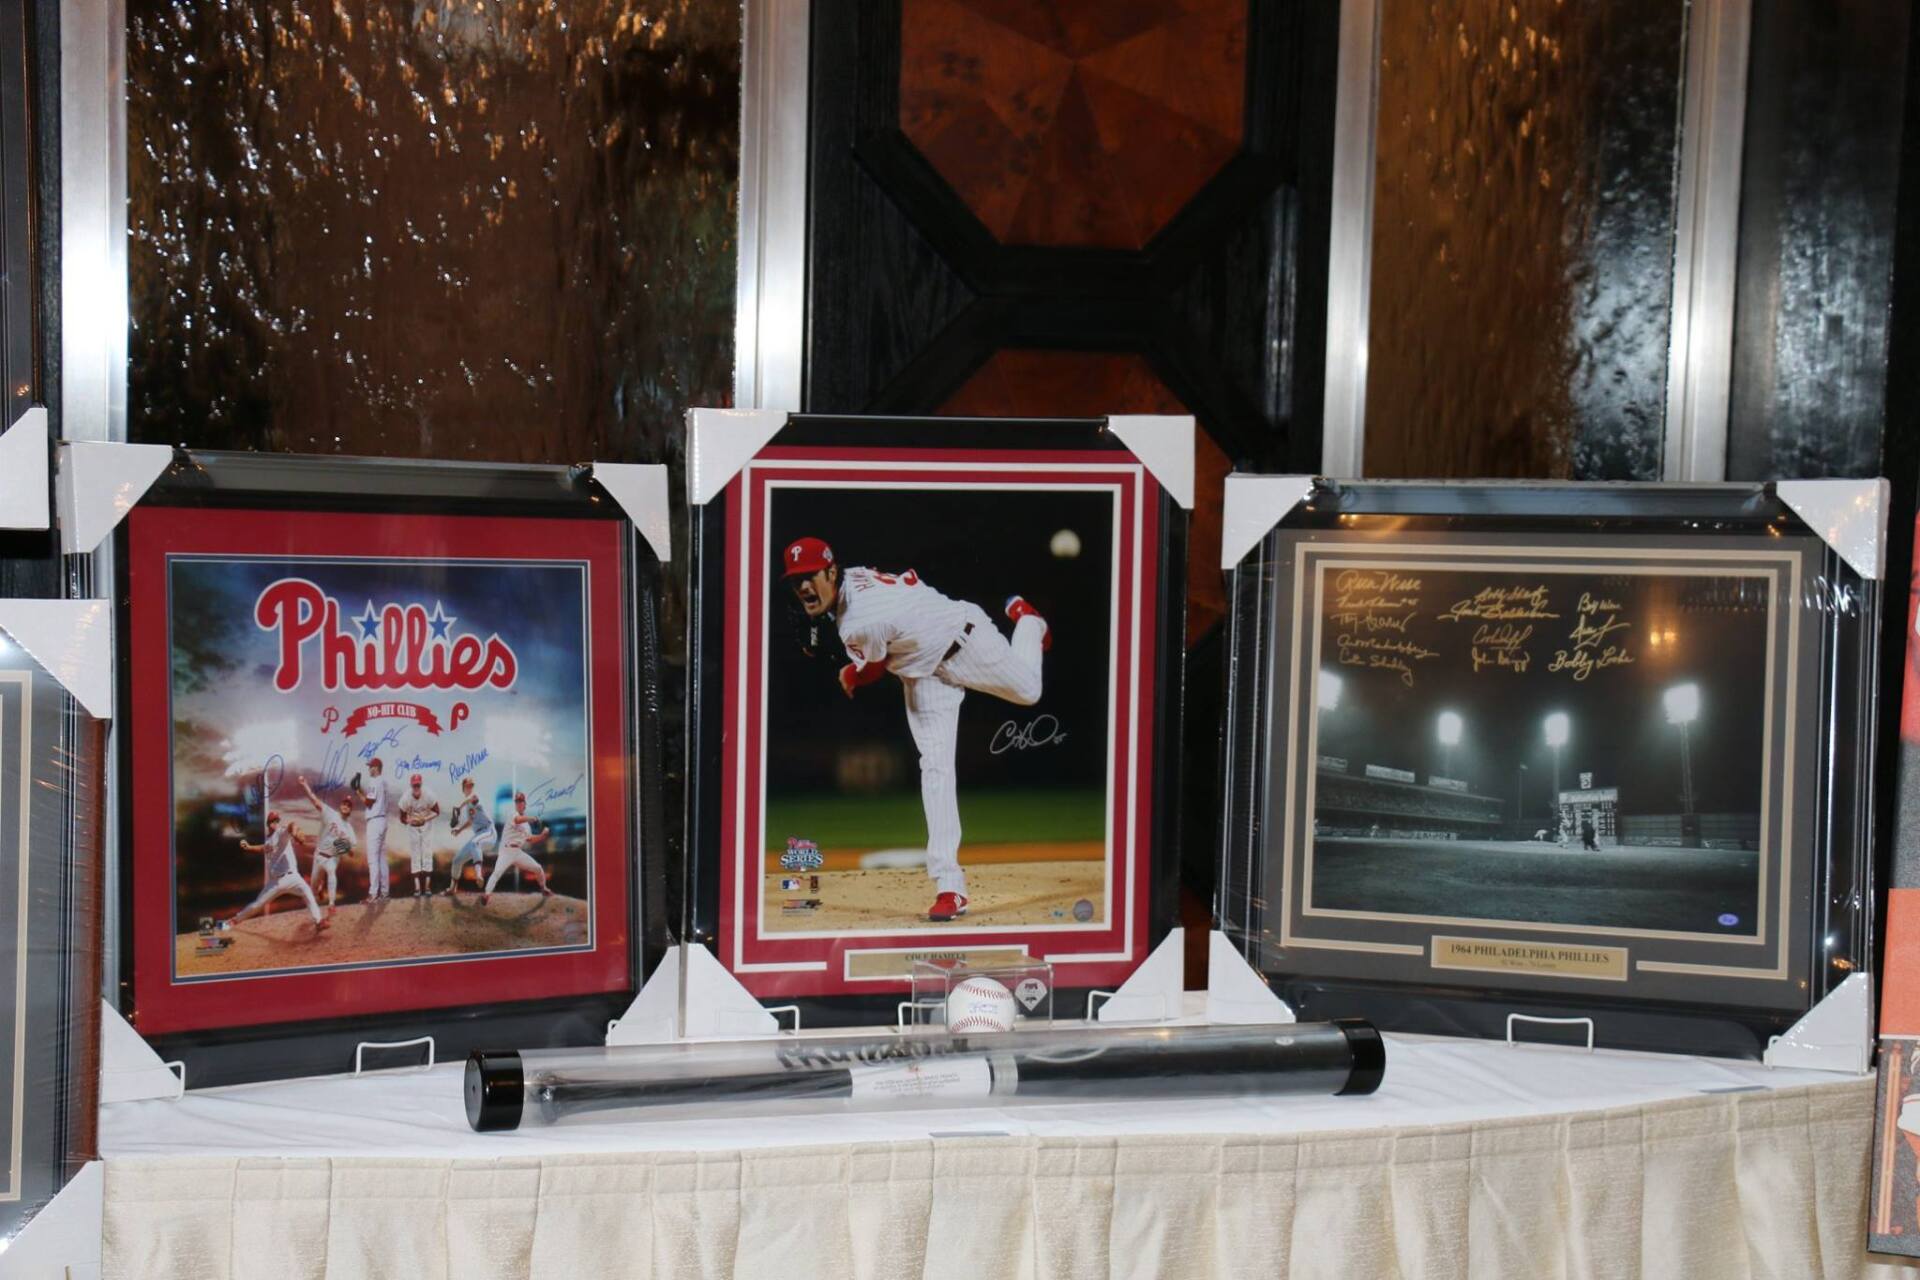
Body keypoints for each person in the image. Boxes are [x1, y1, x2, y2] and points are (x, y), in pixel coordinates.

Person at [782, 536, 1048, 923]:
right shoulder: (852, 583)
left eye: (810, 576)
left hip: (965, 640)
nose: (804, 586)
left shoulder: (860, 621)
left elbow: (874, 667)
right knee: (936, 770)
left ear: (831, 571)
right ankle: (949, 887)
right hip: (924, 675)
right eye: (796, 580)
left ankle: (1029, 621)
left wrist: (850, 675)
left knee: (1029, 691)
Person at [220, 810, 327, 933]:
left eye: (277, 820)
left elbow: (291, 826)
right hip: (275, 882)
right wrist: (249, 847)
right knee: (257, 905)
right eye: (272, 820)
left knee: (307, 893)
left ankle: (319, 922)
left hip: (292, 878)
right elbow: (263, 848)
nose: (275, 822)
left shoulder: (281, 832)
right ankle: (233, 921)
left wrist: (295, 832)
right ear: (268, 823)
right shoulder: (268, 839)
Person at [481, 791, 552, 904]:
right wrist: (531, 818)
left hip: (517, 853)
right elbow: (517, 820)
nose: (519, 803)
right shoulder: (513, 814)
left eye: (521, 801)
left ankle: (543, 888)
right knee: (497, 872)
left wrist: (542, 836)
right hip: (506, 851)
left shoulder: (527, 826)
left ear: (524, 804)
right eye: (517, 801)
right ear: (515, 804)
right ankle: (486, 895)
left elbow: (530, 839)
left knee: (538, 868)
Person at [297, 775, 353, 914]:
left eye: (349, 805)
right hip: (319, 856)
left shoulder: (349, 829)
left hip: (332, 858)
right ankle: (319, 889)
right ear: (341, 806)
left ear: (350, 810)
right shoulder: (330, 814)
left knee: (332, 872)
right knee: (313, 889)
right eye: (344, 804)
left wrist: (345, 848)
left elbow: (351, 851)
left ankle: (331, 904)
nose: (346, 806)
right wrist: (305, 785)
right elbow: (315, 801)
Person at [353, 756, 396, 901]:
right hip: (383, 821)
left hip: (375, 821)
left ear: (376, 768)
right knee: (382, 858)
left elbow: (369, 802)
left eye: (370, 766)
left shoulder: (375, 781)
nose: (369, 769)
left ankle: (373, 894)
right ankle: (385, 893)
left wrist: (358, 792)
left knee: (373, 860)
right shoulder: (385, 782)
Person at [446, 776, 497, 896]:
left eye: (472, 785)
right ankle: (452, 888)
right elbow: (470, 821)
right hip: (479, 835)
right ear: (463, 788)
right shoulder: (469, 806)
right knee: (457, 860)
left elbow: (470, 798)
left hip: (489, 832)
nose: (470, 787)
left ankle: (478, 875)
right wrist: (459, 830)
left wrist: (459, 807)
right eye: (468, 786)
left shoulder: (475, 797)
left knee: (475, 843)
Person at [396, 772, 442, 897]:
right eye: (414, 785)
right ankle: (417, 888)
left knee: (427, 853)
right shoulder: (406, 797)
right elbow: (402, 817)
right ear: (411, 785)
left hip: (427, 824)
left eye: (418, 785)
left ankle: (427, 887)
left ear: (421, 785)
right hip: (413, 827)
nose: (416, 787)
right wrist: (409, 821)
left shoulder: (428, 794)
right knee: (415, 854)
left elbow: (437, 811)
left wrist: (424, 819)